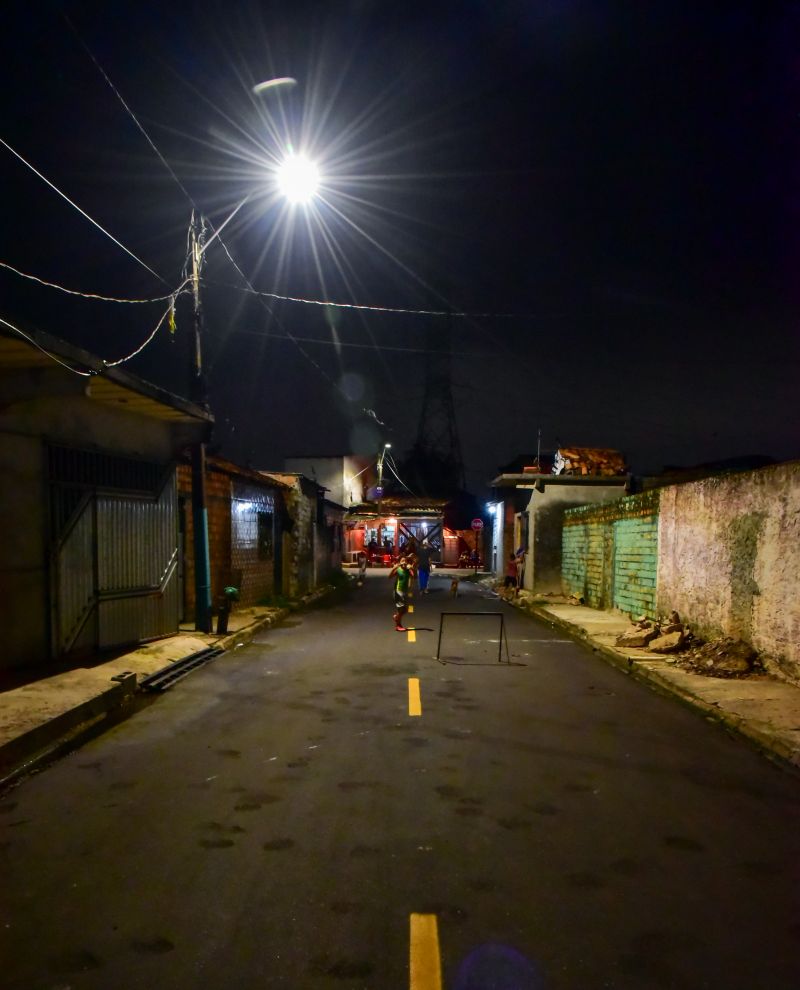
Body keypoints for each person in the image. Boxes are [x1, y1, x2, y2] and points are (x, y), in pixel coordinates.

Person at [389, 556, 413, 631]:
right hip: (398, 591)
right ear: (400, 562)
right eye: (402, 560)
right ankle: (398, 626)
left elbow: (415, 576)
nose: (404, 562)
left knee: (405, 610)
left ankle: (396, 616)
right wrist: (394, 568)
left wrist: (412, 568)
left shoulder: (408, 570)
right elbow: (389, 577)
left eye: (405, 560)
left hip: (404, 591)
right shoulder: (398, 570)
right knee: (401, 610)